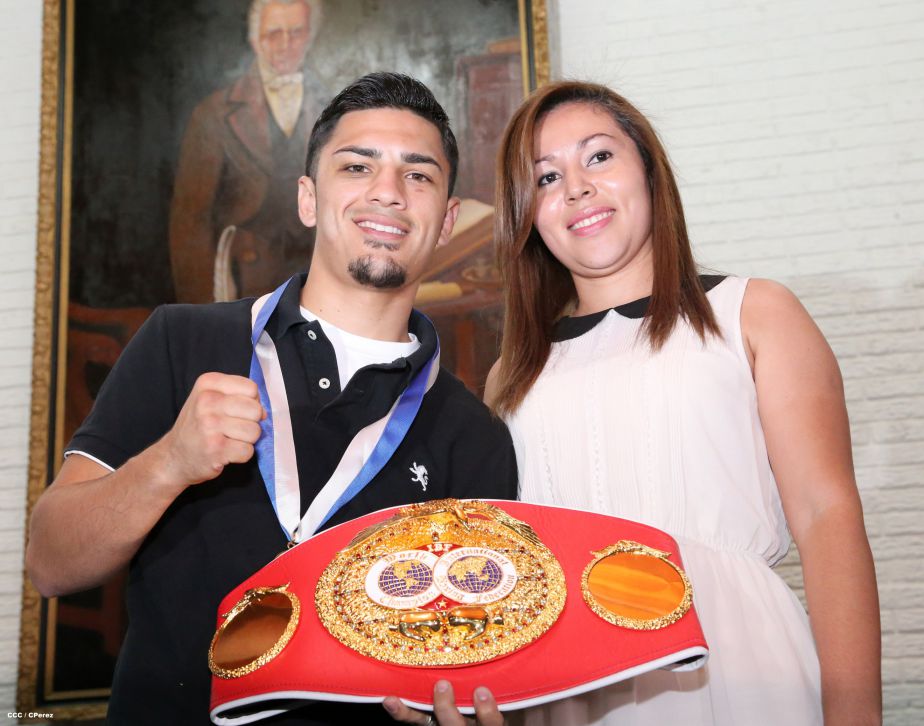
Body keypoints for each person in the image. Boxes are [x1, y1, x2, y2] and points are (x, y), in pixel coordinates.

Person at [26, 72, 518, 725]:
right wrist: (169, 463)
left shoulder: (474, 435)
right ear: (309, 199)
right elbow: (51, 562)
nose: (388, 192)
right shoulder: (182, 340)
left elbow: (476, 656)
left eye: (419, 175)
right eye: (357, 166)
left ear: (447, 220)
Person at [391, 81, 883, 725]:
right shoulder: (511, 374)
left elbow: (827, 518)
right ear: (528, 215)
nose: (576, 188)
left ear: (650, 173)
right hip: (570, 687)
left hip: (738, 663)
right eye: (545, 178)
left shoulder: (753, 312)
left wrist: (856, 715)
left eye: (599, 157)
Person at [169, 0, 329, 303]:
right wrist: (201, 314)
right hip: (243, 284)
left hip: (317, 282)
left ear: (310, 36)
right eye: (273, 34)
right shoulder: (214, 114)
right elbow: (190, 223)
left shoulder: (336, 109)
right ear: (255, 40)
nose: (285, 45)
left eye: (296, 33)